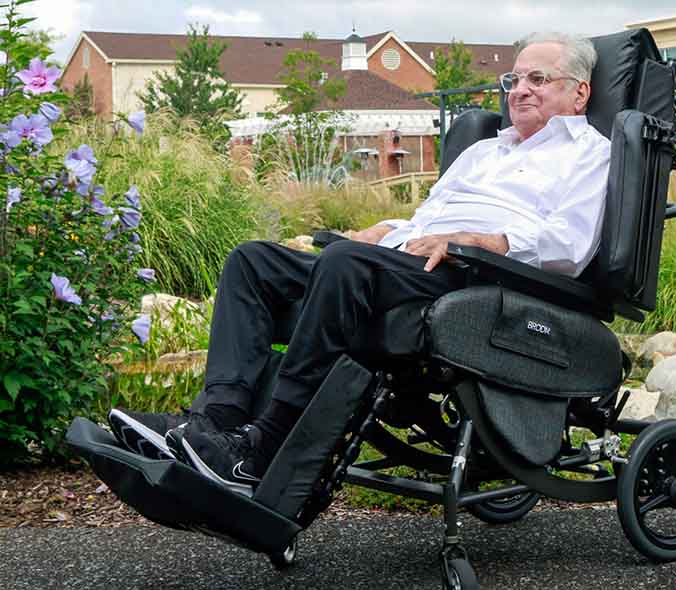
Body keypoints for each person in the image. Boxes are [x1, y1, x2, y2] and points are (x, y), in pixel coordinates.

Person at [108, 31, 611, 497]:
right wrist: (387, 228)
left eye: (537, 79)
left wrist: (480, 240)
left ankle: (265, 446)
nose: (519, 90)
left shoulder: (591, 154)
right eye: (514, 79)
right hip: (410, 260)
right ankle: (214, 422)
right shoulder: (484, 151)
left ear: (580, 93)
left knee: (346, 265)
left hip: (476, 278)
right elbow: (427, 217)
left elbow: (569, 243)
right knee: (253, 261)